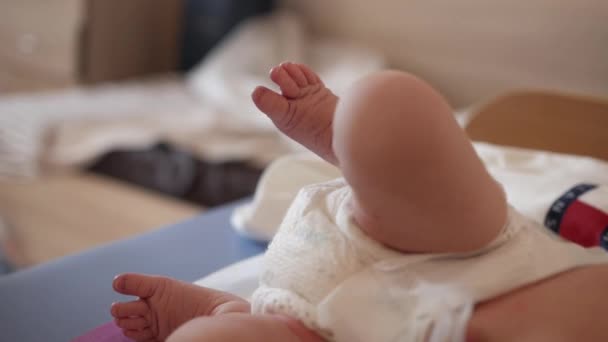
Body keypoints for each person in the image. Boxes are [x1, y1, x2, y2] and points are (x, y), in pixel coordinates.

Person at [110, 62, 608, 342]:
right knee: (388, 113)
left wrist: (214, 315)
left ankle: (225, 314)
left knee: (387, 112)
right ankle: (360, 147)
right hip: (463, 267)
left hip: (365, 303)